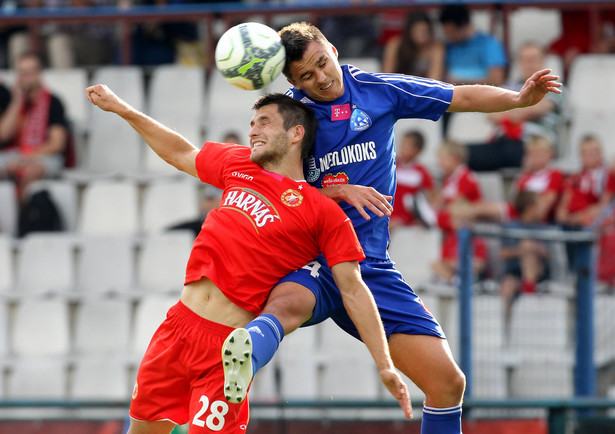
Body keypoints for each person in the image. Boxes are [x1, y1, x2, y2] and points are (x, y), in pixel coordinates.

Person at [222, 21, 561, 434]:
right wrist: (339, 192)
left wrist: (518, 98)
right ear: (292, 81)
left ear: (331, 48)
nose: (322, 79)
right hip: (313, 255)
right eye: (306, 77)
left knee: (448, 383)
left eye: (322, 63)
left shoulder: (379, 90)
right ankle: (241, 362)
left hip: (369, 265)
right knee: (287, 305)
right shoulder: (292, 117)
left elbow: (461, 96)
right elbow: (273, 191)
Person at [85, 86, 411, 433]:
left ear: (296, 133)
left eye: (264, 123)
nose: (253, 130)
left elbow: (354, 289)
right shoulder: (237, 163)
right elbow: (180, 152)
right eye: (252, 123)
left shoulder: (324, 214)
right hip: (175, 330)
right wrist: (122, 108)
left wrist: (385, 364)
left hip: (228, 351)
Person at [467, 41, 565, 172]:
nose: (529, 64)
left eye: (533, 59)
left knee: (511, 152)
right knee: (462, 154)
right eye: (524, 59)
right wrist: (519, 111)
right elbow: (490, 114)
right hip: (502, 144)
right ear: (518, 62)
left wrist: (506, 110)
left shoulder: (553, 85)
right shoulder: (509, 86)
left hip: (535, 145)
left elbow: (537, 109)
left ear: (543, 60)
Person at [0, 52, 69, 198]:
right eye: (22, 72)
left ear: (39, 73)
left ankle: (26, 218)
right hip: (15, 153)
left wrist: (25, 158)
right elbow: (3, 135)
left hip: (44, 155)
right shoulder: (13, 101)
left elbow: (56, 144)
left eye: (30, 72)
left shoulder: (53, 102)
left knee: (30, 172)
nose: (26, 77)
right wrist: (16, 102)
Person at [430, 140, 487, 284]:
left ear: (455, 158)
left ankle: (459, 280)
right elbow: (437, 203)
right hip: (451, 226)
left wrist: (435, 215)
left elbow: (456, 207)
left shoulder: (467, 178)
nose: (440, 163)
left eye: (443, 159)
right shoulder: (450, 179)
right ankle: (454, 280)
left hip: (463, 225)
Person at [555, 135, 615, 268]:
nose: (590, 156)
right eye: (586, 153)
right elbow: (566, 198)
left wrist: (581, 216)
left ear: (600, 154)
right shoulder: (576, 176)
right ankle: (572, 269)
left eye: (594, 152)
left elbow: (604, 204)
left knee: (584, 230)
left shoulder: (606, 175)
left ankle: (584, 270)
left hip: (589, 220)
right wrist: (562, 212)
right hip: (571, 220)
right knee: (562, 228)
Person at [499, 191, 550, 331]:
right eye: (539, 205)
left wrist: (534, 248)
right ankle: (505, 331)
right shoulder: (510, 226)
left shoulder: (544, 228)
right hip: (515, 272)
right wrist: (521, 250)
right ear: (530, 208)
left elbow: (549, 254)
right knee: (507, 286)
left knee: (530, 258)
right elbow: (503, 252)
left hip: (539, 273)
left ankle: (529, 310)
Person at [439, 4, 507, 86]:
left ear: (464, 25)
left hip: (480, 96)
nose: (450, 37)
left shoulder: (490, 44)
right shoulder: (449, 46)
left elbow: (497, 80)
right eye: (446, 33)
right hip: (452, 96)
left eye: (452, 32)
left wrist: (460, 83)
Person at [389, 130, 435, 231]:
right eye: (402, 144)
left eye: (407, 146)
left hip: (406, 219)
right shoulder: (391, 165)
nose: (402, 148)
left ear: (417, 150)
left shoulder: (421, 172)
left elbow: (432, 195)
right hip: (388, 213)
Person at [381, 11, 444, 80]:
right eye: (419, 30)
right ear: (409, 31)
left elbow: (434, 80)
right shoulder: (396, 44)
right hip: (400, 86)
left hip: (425, 88)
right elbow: (387, 75)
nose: (422, 35)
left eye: (425, 31)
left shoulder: (436, 48)